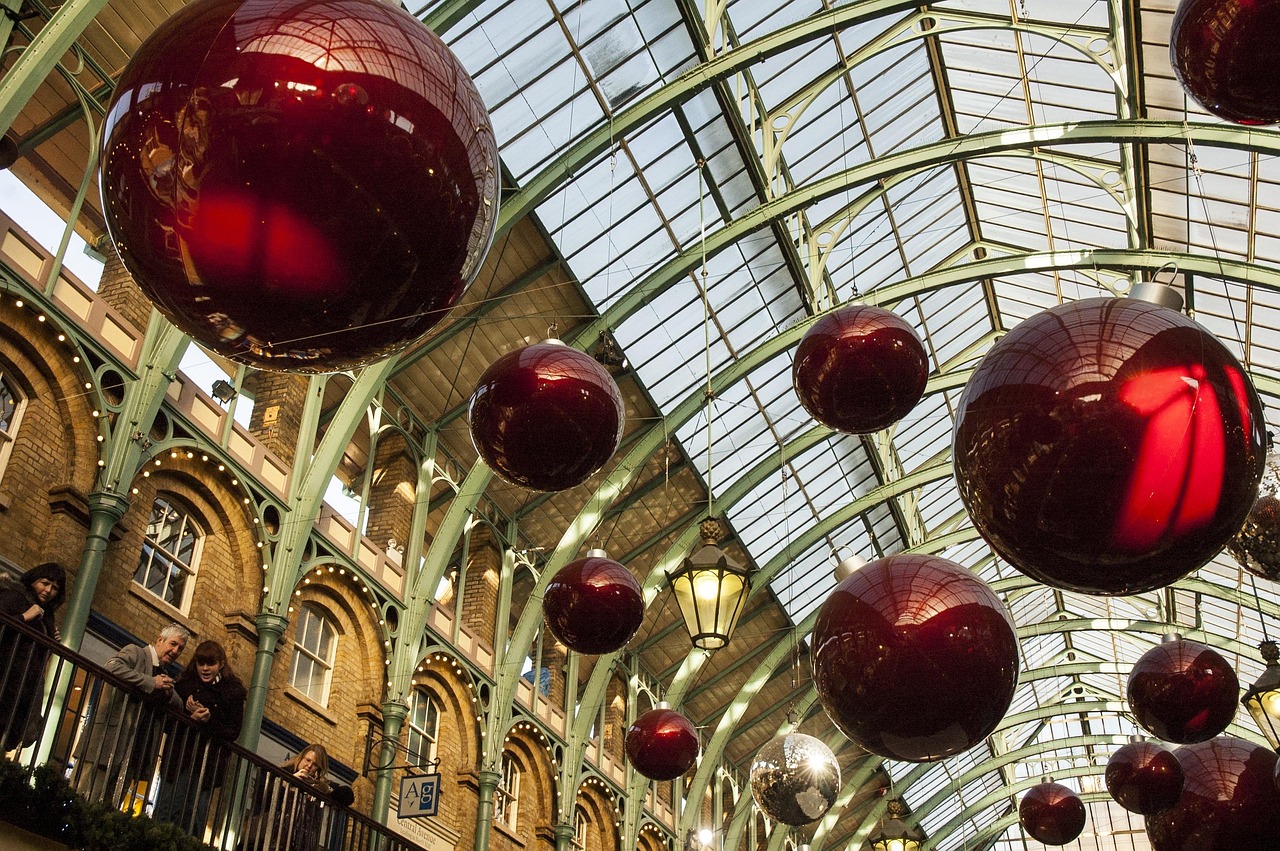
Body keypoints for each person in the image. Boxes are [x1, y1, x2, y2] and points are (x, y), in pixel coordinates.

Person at [73, 623, 189, 805]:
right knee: (82, 799)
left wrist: (166, 690)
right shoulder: (136, 652)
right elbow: (112, 667)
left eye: (180, 649)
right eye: (173, 644)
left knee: (108, 810)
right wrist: (151, 682)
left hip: (132, 753)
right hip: (106, 742)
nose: (175, 651)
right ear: (160, 640)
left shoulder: (164, 675)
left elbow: (178, 705)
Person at [152, 639, 246, 832]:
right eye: (201, 663)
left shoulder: (232, 692)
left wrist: (208, 719)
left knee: (195, 817)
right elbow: (167, 722)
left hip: (207, 765)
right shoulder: (184, 685)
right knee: (167, 811)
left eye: (210, 664)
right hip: (179, 759)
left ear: (220, 664)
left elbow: (233, 731)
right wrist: (188, 716)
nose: (205, 668)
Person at [0, 562, 66, 752]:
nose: (48, 590)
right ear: (33, 580)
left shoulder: (46, 616)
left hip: (20, 690)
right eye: (45, 583)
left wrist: (51, 641)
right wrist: (24, 617)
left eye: (54, 588)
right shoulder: (13, 596)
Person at [244, 744, 334, 850]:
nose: (309, 766)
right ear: (301, 758)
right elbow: (261, 796)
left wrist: (323, 787)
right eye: (308, 760)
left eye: (315, 764)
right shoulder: (282, 772)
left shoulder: (316, 784)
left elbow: (347, 795)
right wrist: (288, 782)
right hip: (267, 835)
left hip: (296, 840)